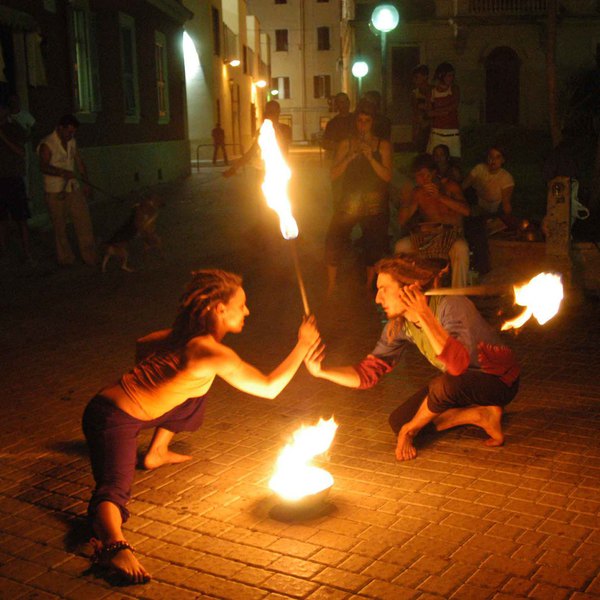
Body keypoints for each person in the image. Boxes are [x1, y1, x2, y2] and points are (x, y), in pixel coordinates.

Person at [82, 269, 320, 583]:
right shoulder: (210, 351)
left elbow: (143, 343)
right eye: (241, 305)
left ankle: (157, 451)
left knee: (197, 388)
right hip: (111, 418)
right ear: (219, 309)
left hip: (132, 411)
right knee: (113, 489)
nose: (247, 311)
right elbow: (269, 387)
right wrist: (302, 345)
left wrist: (157, 381)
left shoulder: (185, 336)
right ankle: (114, 546)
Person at [304, 256, 520, 462]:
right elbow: (367, 374)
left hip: (499, 382)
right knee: (399, 421)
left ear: (409, 288)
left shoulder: (451, 306)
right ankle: (478, 415)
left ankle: (414, 428)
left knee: (442, 388)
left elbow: (457, 366)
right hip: (460, 385)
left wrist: (411, 429)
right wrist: (322, 371)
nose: (378, 298)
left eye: (384, 289)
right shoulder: (399, 326)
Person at [325, 101, 392, 294]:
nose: (362, 125)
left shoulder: (382, 145)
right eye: (360, 120)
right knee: (334, 238)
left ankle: (369, 285)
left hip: (374, 202)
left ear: (373, 122)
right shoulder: (346, 144)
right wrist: (349, 157)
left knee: (374, 242)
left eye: (367, 121)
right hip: (350, 201)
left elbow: (387, 176)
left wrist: (370, 158)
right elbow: (333, 174)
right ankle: (331, 285)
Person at [393, 154, 470, 288]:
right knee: (401, 246)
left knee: (461, 248)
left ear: (434, 173)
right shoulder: (418, 193)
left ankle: (458, 294)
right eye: (418, 176)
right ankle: (403, 289)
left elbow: (466, 211)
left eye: (425, 174)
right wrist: (405, 201)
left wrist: (440, 196)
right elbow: (401, 220)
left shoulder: (450, 186)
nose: (422, 179)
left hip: (451, 237)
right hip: (427, 238)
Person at [37, 114, 97, 266]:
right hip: (55, 191)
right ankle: (66, 258)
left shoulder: (72, 142)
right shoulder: (47, 144)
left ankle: (89, 255)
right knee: (60, 227)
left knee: (83, 221)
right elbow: (43, 166)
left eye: (73, 132)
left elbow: (80, 163)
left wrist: (86, 183)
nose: (71, 135)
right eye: (69, 131)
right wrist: (62, 172)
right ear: (60, 128)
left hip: (72, 187)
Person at [462, 146, 515, 275]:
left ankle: (485, 267)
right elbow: (463, 187)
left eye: (497, 157)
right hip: (477, 209)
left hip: (495, 212)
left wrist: (508, 222)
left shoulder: (506, 178)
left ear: (502, 160)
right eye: (491, 157)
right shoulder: (479, 169)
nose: (493, 160)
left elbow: (506, 204)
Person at [0, 100, 34, 263]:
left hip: (13, 178)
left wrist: (3, 137)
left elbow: (21, 152)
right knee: (2, 219)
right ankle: (3, 251)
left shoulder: (14, 128)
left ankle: (27, 252)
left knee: (21, 218)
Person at [426, 63, 461, 158]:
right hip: (437, 131)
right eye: (449, 75)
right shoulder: (432, 91)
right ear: (441, 75)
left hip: (452, 131)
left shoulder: (454, 89)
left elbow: (453, 106)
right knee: (434, 158)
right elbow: (429, 112)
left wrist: (437, 111)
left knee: (453, 158)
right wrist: (441, 112)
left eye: (452, 75)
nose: (451, 78)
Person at [322, 92, 355, 162]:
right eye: (341, 102)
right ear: (337, 104)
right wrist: (341, 146)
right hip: (339, 159)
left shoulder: (357, 120)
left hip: (355, 158)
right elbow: (325, 144)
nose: (344, 104)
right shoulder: (332, 124)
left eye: (346, 101)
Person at [410, 65, 431, 153]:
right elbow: (415, 113)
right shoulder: (415, 93)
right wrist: (415, 131)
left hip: (434, 126)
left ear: (425, 77)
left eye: (417, 77)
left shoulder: (434, 90)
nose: (415, 80)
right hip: (422, 127)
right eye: (414, 78)